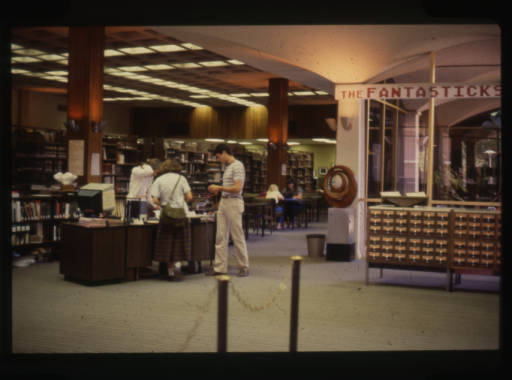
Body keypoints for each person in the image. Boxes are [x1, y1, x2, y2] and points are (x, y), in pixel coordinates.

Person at [206, 144, 249, 277]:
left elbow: (237, 188)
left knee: (237, 236)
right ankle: (219, 268)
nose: (218, 159)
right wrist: (219, 194)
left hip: (234, 202)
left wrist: (219, 188)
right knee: (220, 236)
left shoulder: (237, 166)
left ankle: (244, 267)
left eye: (218, 156)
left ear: (224, 152)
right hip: (225, 202)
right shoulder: (228, 167)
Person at [150, 159, 193, 281]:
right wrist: (180, 203)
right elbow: (189, 197)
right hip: (181, 214)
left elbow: (155, 200)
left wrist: (164, 206)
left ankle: (170, 271)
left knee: (167, 243)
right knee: (179, 242)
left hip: (166, 216)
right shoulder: (181, 179)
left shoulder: (159, 180)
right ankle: (178, 267)